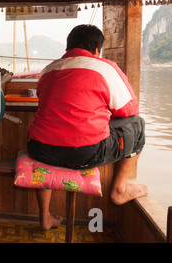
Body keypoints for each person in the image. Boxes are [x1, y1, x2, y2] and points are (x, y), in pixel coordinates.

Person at [27, 24, 148, 231]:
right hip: (85, 154)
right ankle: (119, 189)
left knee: (47, 139)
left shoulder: (48, 69)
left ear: (68, 47)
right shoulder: (104, 66)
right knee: (137, 125)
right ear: (97, 50)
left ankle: (45, 217)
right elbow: (129, 110)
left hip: (40, 149)